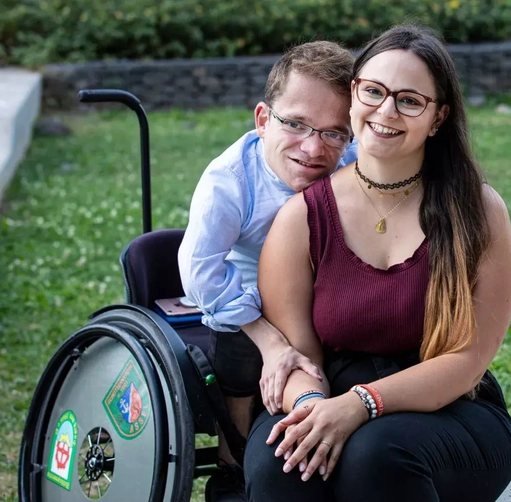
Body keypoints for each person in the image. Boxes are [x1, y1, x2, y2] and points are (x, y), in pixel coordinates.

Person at [244, 24, 511, 501]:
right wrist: (315, 409)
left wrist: (362, 404)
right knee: (282, 463)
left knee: (376, 455)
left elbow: (468, 360)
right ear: (352, 96)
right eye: (372, 91)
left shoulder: (477, 210)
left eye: (410, 100)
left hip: (450, 406)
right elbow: (295, 356)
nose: (385, 110)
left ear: (438, 118)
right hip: (327, 389)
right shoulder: (302, 218)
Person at [177, 40, 358, 501]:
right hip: (249, 302)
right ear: (263, 120)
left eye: (334, 132)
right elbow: (200, 274)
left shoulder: (355, 164)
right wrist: (270, 340)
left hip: (324, 294)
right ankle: (232, 462)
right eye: (295, 124)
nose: (314, 148)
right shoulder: (230, 181)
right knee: (236, 357)